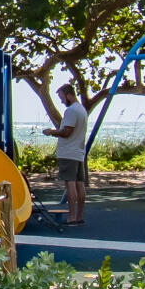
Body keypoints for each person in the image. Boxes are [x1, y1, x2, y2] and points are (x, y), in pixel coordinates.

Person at [53, 96, 92, 227]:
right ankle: (79, 216)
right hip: (79, 151)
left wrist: (52, 132)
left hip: (68, 152)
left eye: (62, 97)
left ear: (68, 95)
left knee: (70, 184)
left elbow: (66, 132)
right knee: (79, 183)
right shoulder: (82, 110)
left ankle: (72, 216)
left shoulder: (71, 111)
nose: (62, 101)